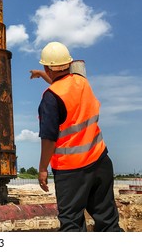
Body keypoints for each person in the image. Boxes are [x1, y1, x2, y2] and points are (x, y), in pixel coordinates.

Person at [36, 41, 122, 232]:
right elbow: (66, 88)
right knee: (108, 221)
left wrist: (43, 169)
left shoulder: (50, 98)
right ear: (69, 64)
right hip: (100, 162)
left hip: (72, 171)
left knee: (71, 225)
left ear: (46, 66)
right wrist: (43, 75)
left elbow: (49, 138)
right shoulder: (82, 82)